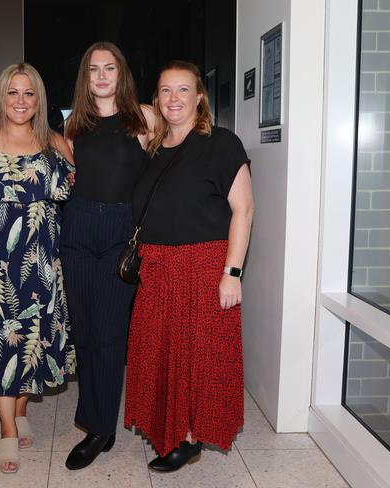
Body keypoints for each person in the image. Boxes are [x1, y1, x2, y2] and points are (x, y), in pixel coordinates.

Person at [124, 60, 254, 472]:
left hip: (204, 265)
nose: (174, 98)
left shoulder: (222, 143)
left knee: (199, 355)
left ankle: (189, 438)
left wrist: (232, 272)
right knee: (157, 350)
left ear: (200, 97)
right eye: (165, 90)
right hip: (158, 266)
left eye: (183, 90)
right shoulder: (153, 149)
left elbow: (244, 210)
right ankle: (169, 428)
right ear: (156, 99)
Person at [0, 63, 75, 474]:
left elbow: (86, 192)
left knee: (31, 338)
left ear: (39, 100)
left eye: (29, 94)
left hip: (41, 262)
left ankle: (20, 409)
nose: (20, 101)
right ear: (1, 97)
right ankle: (7, 430)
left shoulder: (55, 145)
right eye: (13, 92)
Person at [60, 41, 154, 470]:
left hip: (120, 233)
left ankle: (99, 427)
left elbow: (173, 162)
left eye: (109, 68)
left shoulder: (145, 118)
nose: (101, 75)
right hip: (77, 230)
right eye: (93, 69)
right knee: (84, 330)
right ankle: (100, 423)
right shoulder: (74, 125)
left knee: (110, 333)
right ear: (85, 77)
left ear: (122, 73)